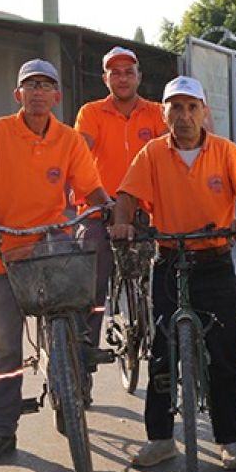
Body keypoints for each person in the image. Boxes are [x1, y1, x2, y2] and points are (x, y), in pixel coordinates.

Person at [0, 59, 108, 464]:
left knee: (73, 318)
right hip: (0, 248)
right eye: (31, 85)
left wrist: (109, 210)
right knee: (4, 345)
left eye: (46, 85)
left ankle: (71, 390)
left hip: (49, 244)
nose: (38, 92)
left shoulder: (69, 138)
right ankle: (2, 429)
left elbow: (90, 188)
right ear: (18, 95)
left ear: (57, 96)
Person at [109, 76, 236, 470]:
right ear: (164, 113)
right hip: (170, 259)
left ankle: (231, 441)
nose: (184, 116)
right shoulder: (152, 153)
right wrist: (122, 224)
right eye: (176, 107)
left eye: (192, 107)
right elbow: (126, 196)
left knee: (224, 353)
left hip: (216, 259)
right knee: (161, 351)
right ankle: (160, 439)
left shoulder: (225, 152)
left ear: (205, 112)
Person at [73, 47, 168, 372]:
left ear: (139, 77)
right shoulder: (91, 113)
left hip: (147, 211)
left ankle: (165, 360)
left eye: (129, 71)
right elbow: (79, 158)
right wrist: (102, 202)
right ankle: (82, 367)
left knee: (165, 279)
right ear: (105, 79)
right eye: (115, 72)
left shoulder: (157, 112)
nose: (123, 77)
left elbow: (171, 154)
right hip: (101, 208)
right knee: (91, 286)